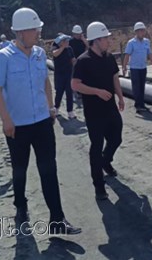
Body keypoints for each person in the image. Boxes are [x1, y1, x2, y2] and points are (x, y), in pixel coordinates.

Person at [0, 7, 81, 235]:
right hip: (17, 126)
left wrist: (51, 107)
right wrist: (6, 120)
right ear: (21, 32)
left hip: (42, 122)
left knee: (49, 169)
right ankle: (20, 206)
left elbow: (45, 82)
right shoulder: (3, 58)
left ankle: (57, 219)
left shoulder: (38, 54)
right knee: (20, 170)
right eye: (35, 30)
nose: (39, 34)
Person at [72, 22, 125, 201]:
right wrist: (96, 91)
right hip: (94, 112)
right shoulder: (83, 61)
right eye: (105, 38)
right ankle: (99, 186)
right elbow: (75, 85)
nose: (109, 41)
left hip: (110, 107)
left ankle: (105, 161)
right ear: (95, 41)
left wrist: (120, 97)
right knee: (96, 146)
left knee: (116, 138)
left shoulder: (109, 58)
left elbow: (115, 78)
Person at [122, 22, 152, 113]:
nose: (141, 32)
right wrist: (124, 67)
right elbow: (127, 55)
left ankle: (141, 104)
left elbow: (150, 54)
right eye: (139, 31)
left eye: (142, 30)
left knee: (142, 86)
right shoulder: (131, 43)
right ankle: (138, 105)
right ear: (136, 32)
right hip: (134, 68)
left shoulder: (147, 42)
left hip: (143, 68)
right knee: (136, 87)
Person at [52, 34, 76, 119]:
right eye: (65, 41)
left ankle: (70, 111)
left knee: (69, 92)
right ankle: (56, 108)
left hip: (69, 74)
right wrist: (62, 47)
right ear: (61, 42)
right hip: (59, 74)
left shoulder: (69, 49)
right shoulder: (55, 49)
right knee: (59, 92)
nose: (67, 42)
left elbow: (73, 60)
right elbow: (55, 54)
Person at [69, 25, 88, 106]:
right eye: (77, 34)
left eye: (79, 34)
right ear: (73, 34)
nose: (78, 35)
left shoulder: (83, 41)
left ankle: (81, 93)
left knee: (83, 78)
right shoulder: (70, 42)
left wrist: (83, 39)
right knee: (74, 78)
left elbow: (89, 47)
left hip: (82, 62)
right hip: (73, 62)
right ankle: (74, 94)